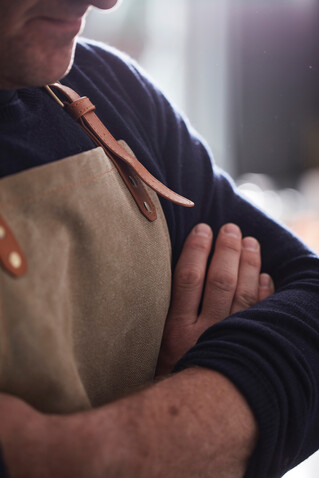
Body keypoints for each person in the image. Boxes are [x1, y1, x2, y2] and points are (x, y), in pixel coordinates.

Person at [0, 1, 318, 477]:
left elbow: (311, 298)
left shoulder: (109, 87)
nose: (106, 0)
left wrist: (79, 453)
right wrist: (223, 396)